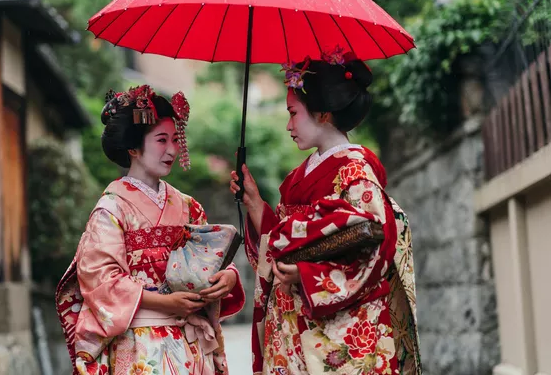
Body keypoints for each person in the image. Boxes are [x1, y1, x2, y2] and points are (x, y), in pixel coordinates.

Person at [230, 47, 420, 374]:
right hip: (291, 320)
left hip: (338, 327)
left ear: (322, 114)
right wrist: (255, 204)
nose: (288, 124)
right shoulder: (299, 176)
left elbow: (373, 246)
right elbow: (283, 239)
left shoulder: (355, 171)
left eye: (293, 112)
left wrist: (307, 275)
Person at [57, 85, 246, 375]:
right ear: (133, 147)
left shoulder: (188, 206)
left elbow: (209, 260)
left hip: (189, 341)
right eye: (161, 140)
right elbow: (102, 280)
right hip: (138, 343)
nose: (172, 149)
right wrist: (164, 302)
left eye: (174, 139)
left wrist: (229, 276)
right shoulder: (112, 208)